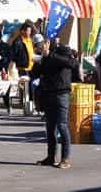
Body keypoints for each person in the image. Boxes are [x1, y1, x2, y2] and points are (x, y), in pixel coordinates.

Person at [36, 41, 79, 169]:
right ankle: (51, 156)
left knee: (62, 125)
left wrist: (50, 54)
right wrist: (43, 57)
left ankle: (65, 158)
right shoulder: (47, 57)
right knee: (50, 127)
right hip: (49, 93)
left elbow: (71, 63)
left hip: (62, 94)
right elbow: (38, 72)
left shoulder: (63, 53)